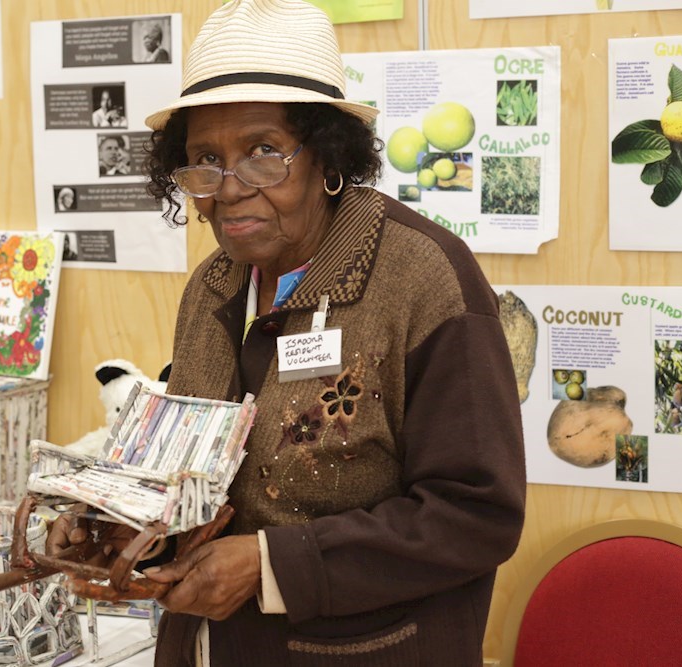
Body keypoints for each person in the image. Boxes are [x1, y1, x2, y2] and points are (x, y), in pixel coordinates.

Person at [49, 1, 526, 665]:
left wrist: (271, 566)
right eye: (204, 160)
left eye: (264, 152)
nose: (230, 188)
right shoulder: (213, 288)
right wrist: (123, 532)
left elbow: (477, 515)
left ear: (326, 152)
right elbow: (198, 487)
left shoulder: (426, 280)